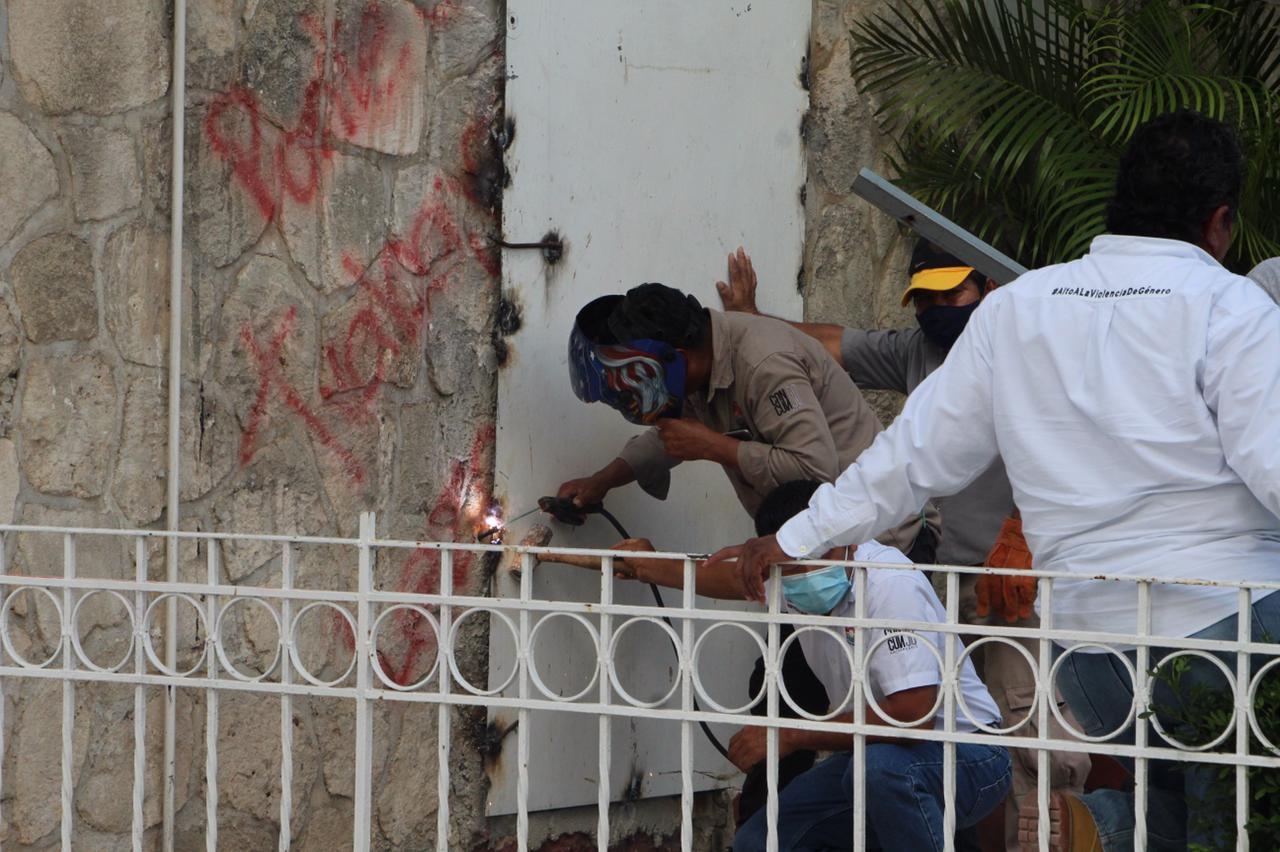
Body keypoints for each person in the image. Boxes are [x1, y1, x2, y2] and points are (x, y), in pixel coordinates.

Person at [707, 109, 1280, 851]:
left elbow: (910, 459)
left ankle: (1102, 831)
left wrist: (797, 535)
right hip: (1233, 629)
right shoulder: (1233, 308)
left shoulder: (1018, 309)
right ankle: (1103, 831)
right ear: (1220, 222)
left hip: (1093, 649)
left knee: (1178, 815)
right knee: (1248, 819)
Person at [717, 242, 1091, 849]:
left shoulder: (1030, 358)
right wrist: (750, 322)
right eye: (928, 297)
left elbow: (1069, 447)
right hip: (947, 575)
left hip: (1016, 576)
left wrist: (1021, 536)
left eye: (954, 293)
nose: (940, 308)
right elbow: (829, 343)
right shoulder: (920, 351)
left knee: (1024, 727)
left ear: (989, 288)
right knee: (946, 741)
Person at [548, 479, 1011, 851]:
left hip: (967, 751)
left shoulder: (889, 582)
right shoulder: (787, 575)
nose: (792, 579)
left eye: (805, 560)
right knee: (761, 839)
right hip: (871, 759)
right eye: (780, 568)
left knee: (882, 771)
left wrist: (787, 734)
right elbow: (720, 578)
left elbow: (912, 714)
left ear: (836, 538)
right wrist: (645, 565)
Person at [557, 280, 938, 560]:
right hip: (821, 545)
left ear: (677, 357)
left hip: (884, 542)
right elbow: (669, 438)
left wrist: (714, 447)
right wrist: (600, 482)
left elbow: (813, 469)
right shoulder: (698, 366)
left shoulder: (764, 364)